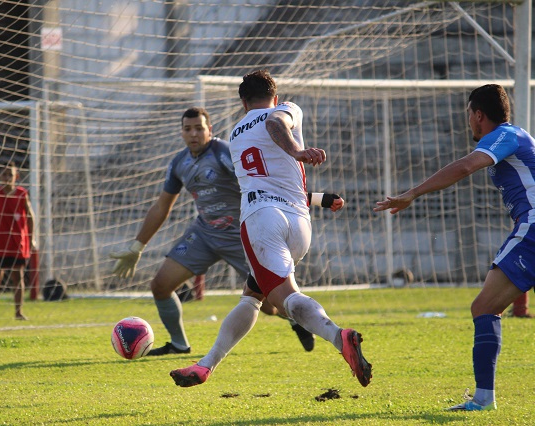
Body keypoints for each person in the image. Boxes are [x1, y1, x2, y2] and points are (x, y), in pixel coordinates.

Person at [170, 69, 372, 388]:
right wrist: (318, 195)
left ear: (242, 102)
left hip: (261, 220)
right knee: (252, 295)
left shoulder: (236, 133)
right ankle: (205, 365)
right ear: (274, 97)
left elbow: (272, 127)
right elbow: (278, 150)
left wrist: (296, 151)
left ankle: (339, 337)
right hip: (298, 222)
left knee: (285, 299)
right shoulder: (288, 108)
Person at [374, 84, 534, 411]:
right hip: (527, 227)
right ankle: (483, 397)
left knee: (484, 308)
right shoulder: (519, 137)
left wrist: (412, 193)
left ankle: (484, 399)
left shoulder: (505, 136)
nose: (469, 123)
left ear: (478, 115)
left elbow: (464, 167)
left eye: (469, 116)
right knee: (487, 307)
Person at [110, 107, 316, 355]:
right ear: (182, 132)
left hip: (242, 236)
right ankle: (178, 344)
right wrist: (137, 246)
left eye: (199, 128)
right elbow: (161, 206)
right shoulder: (179, 163)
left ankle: (296, 318)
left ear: (210, 130)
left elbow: (260, 182)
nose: (194, 134)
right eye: (188, 129)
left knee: (271, 304)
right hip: (205, 234)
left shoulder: (225, 154)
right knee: (160, 286)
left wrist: (312, 199)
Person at [0, 161, 36, 321]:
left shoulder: (22, 194)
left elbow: (30, 216)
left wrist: (31, 238)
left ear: (16, 177)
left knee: (17, 276)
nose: (6, 177)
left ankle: (18, 312)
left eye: (9, 175)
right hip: (0, 241)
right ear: (0, 176)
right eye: (4, 174)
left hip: (18, 242)